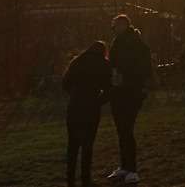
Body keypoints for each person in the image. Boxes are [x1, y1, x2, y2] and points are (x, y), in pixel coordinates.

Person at [105, 14, 152, 185]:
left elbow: (144, 67)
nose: (115, 28)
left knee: (126, 129)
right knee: (122, 131)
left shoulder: (134, 43)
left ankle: (132, 169)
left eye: (118, 25)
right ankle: (125, 166)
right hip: (119, 92)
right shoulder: (118, 42)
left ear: (124, 25)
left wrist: (139, 85)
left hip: (131, 92)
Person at [63, 41, 112, 187]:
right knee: (88, 144)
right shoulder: (104, 64)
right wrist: (98, 101)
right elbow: (109, 89)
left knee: (72, 144)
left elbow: (65, 83)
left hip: (74, 105)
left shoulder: (77, 61)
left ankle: (70, 178)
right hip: (91, 107)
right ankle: (86, 178)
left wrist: (74, 95)